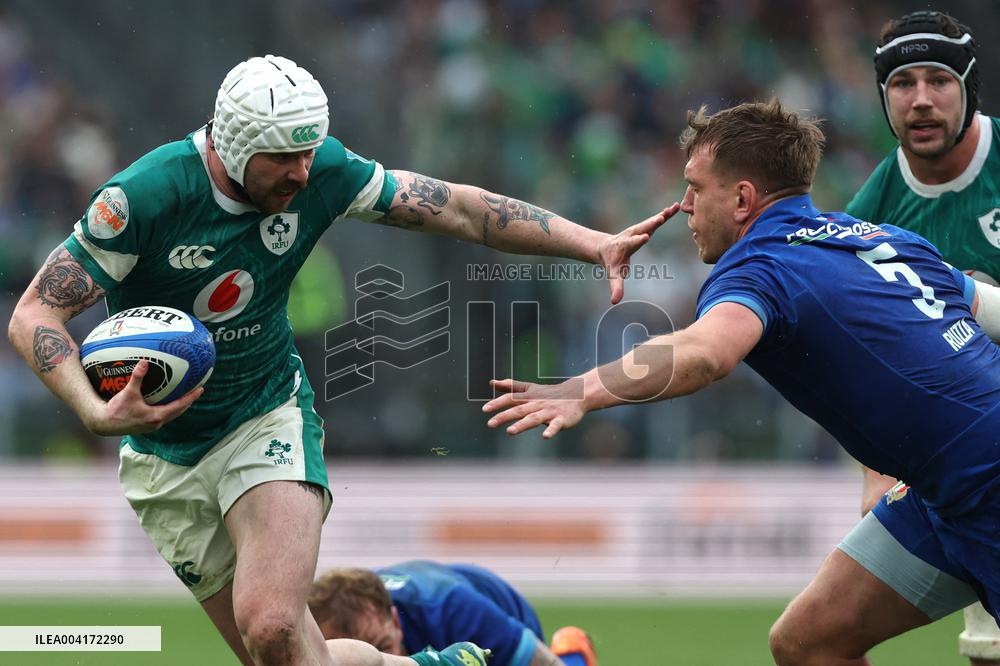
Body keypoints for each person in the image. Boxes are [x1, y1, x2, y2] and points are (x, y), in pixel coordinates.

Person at [5, 55, 667, 666]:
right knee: (287, 656)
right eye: (284, 158)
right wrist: (95, 409)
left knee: (271, 623)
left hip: (263, 418)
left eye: (308, 152)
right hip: (162, 463)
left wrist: (594, 243)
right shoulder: (145, 198)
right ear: (235, 146)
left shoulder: (321, 172)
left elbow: (460, 209)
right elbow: (35, 314)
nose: (302, 171)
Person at [482, 99, 1000, 664]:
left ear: (743, 199)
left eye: (695, 188)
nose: (684, 206)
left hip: (988, 485)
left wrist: (583, 389)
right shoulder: (882, 238)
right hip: (939, 495)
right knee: (808, 642)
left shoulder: (760, 262)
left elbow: (705, 353)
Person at [845, 11, 1000, 664]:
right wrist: (877, 470)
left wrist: (972, 301)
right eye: (903, 83)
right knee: (807, 636)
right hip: (961, 459)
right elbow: (865, 361)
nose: (922, 99)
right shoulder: (868, 221)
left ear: (969, 88)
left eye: (938, 79)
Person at [309, 561, 598, 666]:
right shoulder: (322, 628)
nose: (383, 658)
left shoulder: (455, 611)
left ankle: (573, 655)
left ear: (395, 621)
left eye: (384, 647)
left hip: (497, 616)